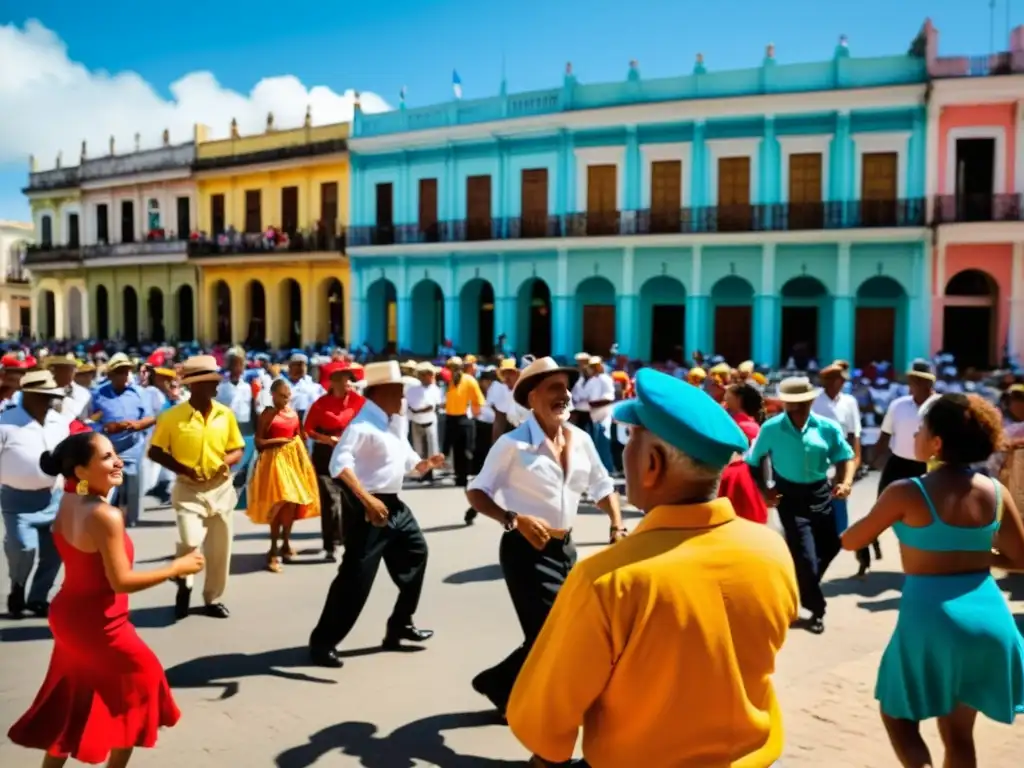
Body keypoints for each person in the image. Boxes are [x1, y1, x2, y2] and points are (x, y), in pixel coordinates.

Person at [506, 368, 799, 767]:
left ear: (652, 463)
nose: (625, 452)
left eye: (631, 440)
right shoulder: (772, 550)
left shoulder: (609, 580)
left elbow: (545, 722)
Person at [841, 394, 1024, 767]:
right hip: (989, 619)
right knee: (959, 736)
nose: (917, 434)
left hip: (930, 620)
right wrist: (976, 554)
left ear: (937, 442)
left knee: (899, 717)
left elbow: (851, 541)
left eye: (922, 429)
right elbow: (1021, 559)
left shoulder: (907, 491)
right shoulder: (995, 492)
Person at [7, 432, 203, 768]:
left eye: (116, 454)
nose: (118, 462)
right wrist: (177, 567)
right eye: (107, 457)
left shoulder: (67, 501)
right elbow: (122, 581)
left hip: (70, 618)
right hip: (101, 625)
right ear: (81, 472)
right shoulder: (104, 515)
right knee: (137, 697)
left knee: (74, 705)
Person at [466, 357, 624, 717]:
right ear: (532, 396)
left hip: (566, 549)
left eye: (566, 388)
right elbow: (477, 492)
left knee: (556, 632)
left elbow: (602, 486)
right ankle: (544, 709)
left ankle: (500, 683)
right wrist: (511, 519)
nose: (565, 395)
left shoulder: (581, 439)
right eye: (554, 388)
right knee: (551, 635)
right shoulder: (512, 444)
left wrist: (616, 524)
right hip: (525, 550)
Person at [308, 361, 444, 668]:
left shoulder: (392, 423)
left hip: (393, 507)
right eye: (399, 391)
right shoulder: (361, 426)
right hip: (367, 507)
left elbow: (409, 462)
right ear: (381, 392)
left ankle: (400, 625)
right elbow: (339, 466)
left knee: (416, 553)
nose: (403, 398)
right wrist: (368, 500)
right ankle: (322, 643)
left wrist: (426, 464)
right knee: (355, 578)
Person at [746, 376, 855, 634]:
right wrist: (766, 489)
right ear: (784, 404)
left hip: (820, 491)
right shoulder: (771, 429)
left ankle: (800, 583)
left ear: (810, 402)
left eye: (802, 404)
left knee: (831, 544)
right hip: (787, 495)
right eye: (791, 404)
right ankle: (816, 609)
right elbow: (753, 461)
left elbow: (845, 456)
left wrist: (845, 481)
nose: (796, 409)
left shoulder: (827, 428)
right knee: (805, 554)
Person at [148, 355, 244, 621]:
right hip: (188, 489)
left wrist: (223, 463)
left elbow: (237, 449)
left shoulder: (225, 415)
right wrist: (184, 469)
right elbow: (155, 452)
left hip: (221, 489)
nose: (216, 386)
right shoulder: (172, 417)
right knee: (191, 541)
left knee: (220, 550)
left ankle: (212, 598)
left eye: (216, 381)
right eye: (210, 382)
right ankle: (184, 580)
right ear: (195, 386)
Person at [0, 370, 70, 618]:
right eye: (42, 395)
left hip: (53, 497)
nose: (47, 401)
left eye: (50, 396)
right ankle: (17, 586)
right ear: (26, 395)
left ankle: (38, 598)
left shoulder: (58, 422)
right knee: (23, 549)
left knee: (55, 551)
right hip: (17, 499)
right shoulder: (6, 422)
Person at [860, 359, 939, 576]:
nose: (912, 384)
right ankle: (868, 541)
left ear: (928, 383)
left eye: (917, 380)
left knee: (925, 515)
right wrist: (870, 462)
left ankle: (923, 558)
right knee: (882, 507)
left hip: (927, 466)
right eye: (911, 380)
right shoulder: (898, 405)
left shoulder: (940, 406)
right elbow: (885, 436)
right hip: (898, 463)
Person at [247, 379, 320, 572]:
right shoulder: (267, 414)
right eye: (281, 395)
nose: (285, 399)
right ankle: (272, 550)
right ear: (272, 395)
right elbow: (259, 442)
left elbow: (299, 436)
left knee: (291, 504)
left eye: (288, 395)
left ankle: (285, 543)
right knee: (279, 503)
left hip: (293, 462)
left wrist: (304, 458)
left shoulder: (293, 414)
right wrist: (278, 440)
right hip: (273, 463)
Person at [304, 365, 366, 561]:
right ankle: (330, 546)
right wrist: (327, 439)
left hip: (350, 455)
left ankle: (349, 542)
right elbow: (308, 430)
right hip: (325, 455)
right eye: (343, 378)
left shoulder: (360, 402)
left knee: (350, 500)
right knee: (330, 500)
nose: (348, 382)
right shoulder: (321, 404)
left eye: (349, 378)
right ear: (333, 382)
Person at [91, 353, 155, 528]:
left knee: (131, 485)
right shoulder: (98, 394)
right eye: (119, 372)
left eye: (126, 372)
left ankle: (129, 519)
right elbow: (90, 421)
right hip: (108, 447)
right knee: (109, 485)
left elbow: (150, 418)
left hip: (133, 447)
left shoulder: (139, 393)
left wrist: (136, 425)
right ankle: (108, 518)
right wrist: (106, 428)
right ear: (110, 375)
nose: (124, 376)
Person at [813, 360, 863, 534]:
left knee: (839, 496)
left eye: (841, 379)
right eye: (835, 379)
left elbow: (854, 434)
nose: (840, 383)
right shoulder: (814, 400)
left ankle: (838, 534)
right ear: (827, 380)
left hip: (840, 457)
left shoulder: (849, 402)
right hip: (816, 456)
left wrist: (855, 462)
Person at [719, 381, 770, 524]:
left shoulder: (741, 426)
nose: (725, 395)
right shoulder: (745, 424)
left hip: (741, 484)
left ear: (738, 399)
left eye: (729, 394)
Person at [442, 356, 484, 523]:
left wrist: (472, 414)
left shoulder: (465, 380)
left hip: (459, 419)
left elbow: (477, 403)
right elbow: (477, 404)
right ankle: (461, 477)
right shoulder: (450, 380)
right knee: (457, 453)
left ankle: (467, 477)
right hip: (455, 419)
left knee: (465, 453)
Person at [405, 362, 441, 484]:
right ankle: (422, 474)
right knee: (419, 450)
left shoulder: (435, 389)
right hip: (416, 422)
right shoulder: (413, 389)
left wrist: (417, 410)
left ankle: (429, 475)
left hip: (429, 422)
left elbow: (432, 407)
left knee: (431, 450)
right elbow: (408, 404)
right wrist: (414, 411)